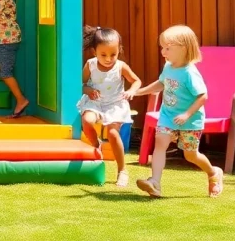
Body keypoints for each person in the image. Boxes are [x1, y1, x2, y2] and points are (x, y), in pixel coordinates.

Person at [134, 25, 223, 198]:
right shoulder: (168, 66)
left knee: (190, 155)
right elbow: (162, 83)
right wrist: (139, 91)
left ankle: (213, 173)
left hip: (190, 121)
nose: (163, 52)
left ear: (183, 48)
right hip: (167, 116)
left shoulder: (190, 73)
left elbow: (203, 96)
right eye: (162, 47)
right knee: (160, 142)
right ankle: (155, 182)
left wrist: (186, 114)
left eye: (168, 48)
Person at [77, 26, 141, 187]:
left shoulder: (121, 66)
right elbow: (81, 84)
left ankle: (122, 170)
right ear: (94, 52)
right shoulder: (90, 65)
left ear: (119, 50)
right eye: (103, 54)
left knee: (113, 134)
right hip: (96, 102)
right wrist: (88, 90)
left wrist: (132, 90)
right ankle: (96, 144)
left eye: (113, 54)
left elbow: (137, 81)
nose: (108, 58)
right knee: (87, 120)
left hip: (115, 103)